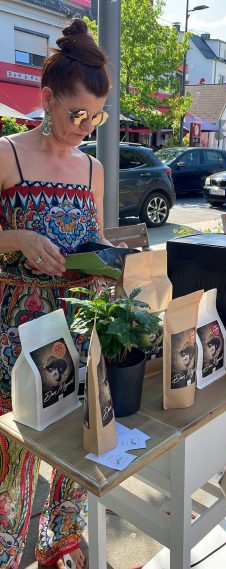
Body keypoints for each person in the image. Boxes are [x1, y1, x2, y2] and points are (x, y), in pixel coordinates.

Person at [0, 17, 114, 569]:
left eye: (96, 117)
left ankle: (61, 549)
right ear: (46, 98)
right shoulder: (9, 155)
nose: (84, 127)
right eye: (76, 114)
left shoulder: (91, 167)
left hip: (74, 326)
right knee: (12, 453)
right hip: (14, 337)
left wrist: (111, 263)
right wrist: (17, 238)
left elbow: (95, 239)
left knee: (74, 449)